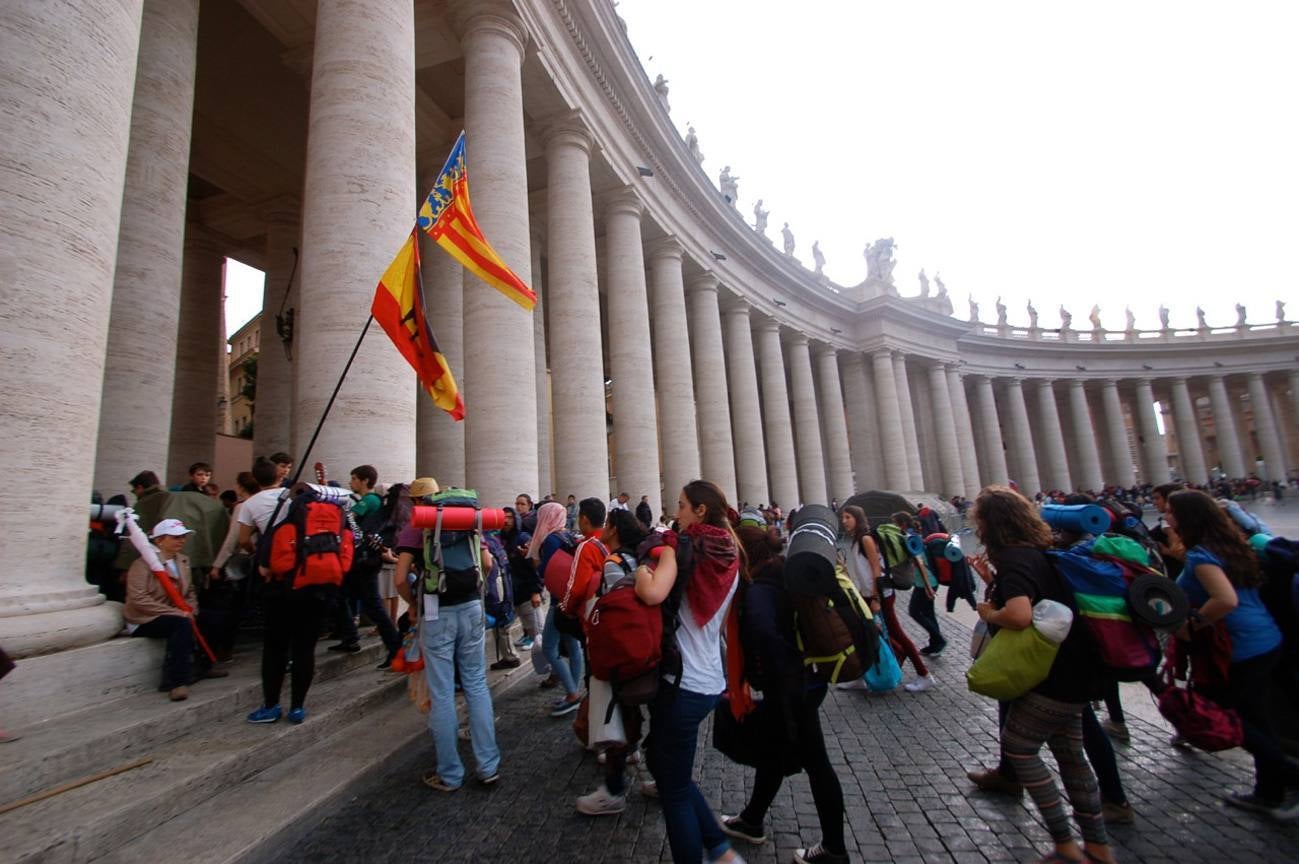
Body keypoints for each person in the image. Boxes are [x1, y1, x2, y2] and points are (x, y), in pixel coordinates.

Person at [968, 486, 1114, 863]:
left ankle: (1065, 844)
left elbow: (1018, 615)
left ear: (990, 523)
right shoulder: (1037, 553)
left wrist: (990, 614)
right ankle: (1097, 846)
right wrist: (991, 580)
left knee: (1019, 748)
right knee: (1070, 754)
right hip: (1077, 667)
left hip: (1051, 674)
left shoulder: (1014, 559)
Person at [720, 520, 848, 864]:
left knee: (817, 764)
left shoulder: (760, 589)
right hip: (804, 683)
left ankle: (834, 848)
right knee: (775, 752)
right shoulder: (779, 572)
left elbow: (764, 631)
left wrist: (774, 677)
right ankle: (752, 818)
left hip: (793, 688)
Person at [1168, 489, 1299, 818]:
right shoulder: (1230, 544)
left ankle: (1291, 777)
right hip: (1266, 637)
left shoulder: (1201, 556)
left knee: (1231, 717)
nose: (1166, 517)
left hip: (1239, 646)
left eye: (1171, 512)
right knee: (1256, 718)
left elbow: (1225, 600)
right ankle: (1269, 791)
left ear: (1188, 518)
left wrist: (1192, 625)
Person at [634, 480, 744, 864]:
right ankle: (718, 847)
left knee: (674, 789)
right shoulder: (730, 552)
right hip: (711, 681)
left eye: (681, 505)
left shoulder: (681, 550)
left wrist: (641, 573)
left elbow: (651, 594)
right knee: (668, 771)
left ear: (699, 510)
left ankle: (716, 851)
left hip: (679, 683)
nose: (675, 511)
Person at [394, 480, 500, 791]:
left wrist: (412, 605)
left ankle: (450, 774)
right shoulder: (465, 520)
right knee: (477, 685)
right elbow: (488, 563)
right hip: (470, 607)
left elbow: (400, 577)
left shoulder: (418, 525)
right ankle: (488, 766)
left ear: (415, 502)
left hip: (436, 609)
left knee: (442, 694)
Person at [576, 508, 650, 815]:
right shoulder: (639, 559)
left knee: (618, 711)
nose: (603, 528)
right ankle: (641, 762)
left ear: (615, 529)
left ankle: (614, 789)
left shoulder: (614, 563)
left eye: (608, 524)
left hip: (620, 647)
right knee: (634, 708)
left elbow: (614, 608)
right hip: (643, 645)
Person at [125, 518, 227, 701]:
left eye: (183, 537)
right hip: (146, 617)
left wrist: (192, 609)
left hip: (179, 611)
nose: (181, 541)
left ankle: (203, 665)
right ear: (159, 540)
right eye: (175, 537)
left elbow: (189, 591)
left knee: (215, 618)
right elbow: (138, 598)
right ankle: (176, 681)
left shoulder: (182, 561)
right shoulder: (142, 564)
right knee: (181, 625)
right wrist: (177, 612)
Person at [329, 465, 402, 668]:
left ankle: (394, 649)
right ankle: (350, 636)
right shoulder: (373, 502)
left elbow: (348, 520)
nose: (351, 483)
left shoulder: (369, 500)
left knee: (372, 606)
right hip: (364, 559)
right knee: (343, 596)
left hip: (362, 561)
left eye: (353, 479)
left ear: (364, 481)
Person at [530, 500, 587, 717]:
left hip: (557, 601)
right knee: (573, 647)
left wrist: (535, 559)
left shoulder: (551, 539)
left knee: (549, 648)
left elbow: (545, 571)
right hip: (571, 599)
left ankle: (572, 693)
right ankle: (573, 691)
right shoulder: (569, 536)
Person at [502, 507, 541, 651]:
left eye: (510, 517)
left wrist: (536, 591)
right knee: (505, 626)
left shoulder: (523, 538)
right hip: (510, 593)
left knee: (536, 629)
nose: (506, 520)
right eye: (504, 517)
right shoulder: (500, 539)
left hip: (525, 592)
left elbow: (534, 566)